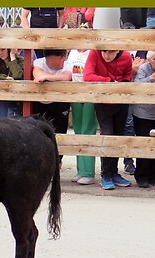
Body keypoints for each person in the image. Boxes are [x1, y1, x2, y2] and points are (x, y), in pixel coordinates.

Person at [83, 49, 133, 190]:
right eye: (104, 51)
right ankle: (105, 174)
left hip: (121, 102)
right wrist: (109, 81)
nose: (106, 55)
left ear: (117, 49)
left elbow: (127, 77)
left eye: (110, 52)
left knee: (118, 137)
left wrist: (120, 85)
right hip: (102, 102)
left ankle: (114, 172)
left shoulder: (126, 57)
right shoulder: (94, 53)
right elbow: (87, 76)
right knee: (107, 135)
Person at [132, 51, 155, 188]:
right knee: (144, 144)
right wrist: (152, 78)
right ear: (149, 60)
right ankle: (141, 176)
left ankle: (154, 176)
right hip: (143, 113)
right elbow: (137, 87)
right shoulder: (143, 69)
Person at [32, 49, 72, 166]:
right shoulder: (39, 62)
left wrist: (46, 77)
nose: (64, 60)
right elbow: (37, 74)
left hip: (60, 102)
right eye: (61, 58)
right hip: (41, 102)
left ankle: (57, 161)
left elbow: (67, 76)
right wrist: (52, 77)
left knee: (60, 131)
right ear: (52, 58)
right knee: (39, 131)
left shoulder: (67, 64)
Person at [67, 48, 97, 184]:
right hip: (75, 92)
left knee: (88, 130)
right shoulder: (73, 52)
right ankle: (80, 170)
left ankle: (88, 172)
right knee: (78, 130)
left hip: (90, 92)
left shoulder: (92, 52)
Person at [0, 48, 24, 118]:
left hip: (16, 96)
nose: (0, 53)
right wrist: (5, 77)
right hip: (3, 95)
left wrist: (12, 56)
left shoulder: (20, 60)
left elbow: (17, 75)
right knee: (1, 117)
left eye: (3, 49)